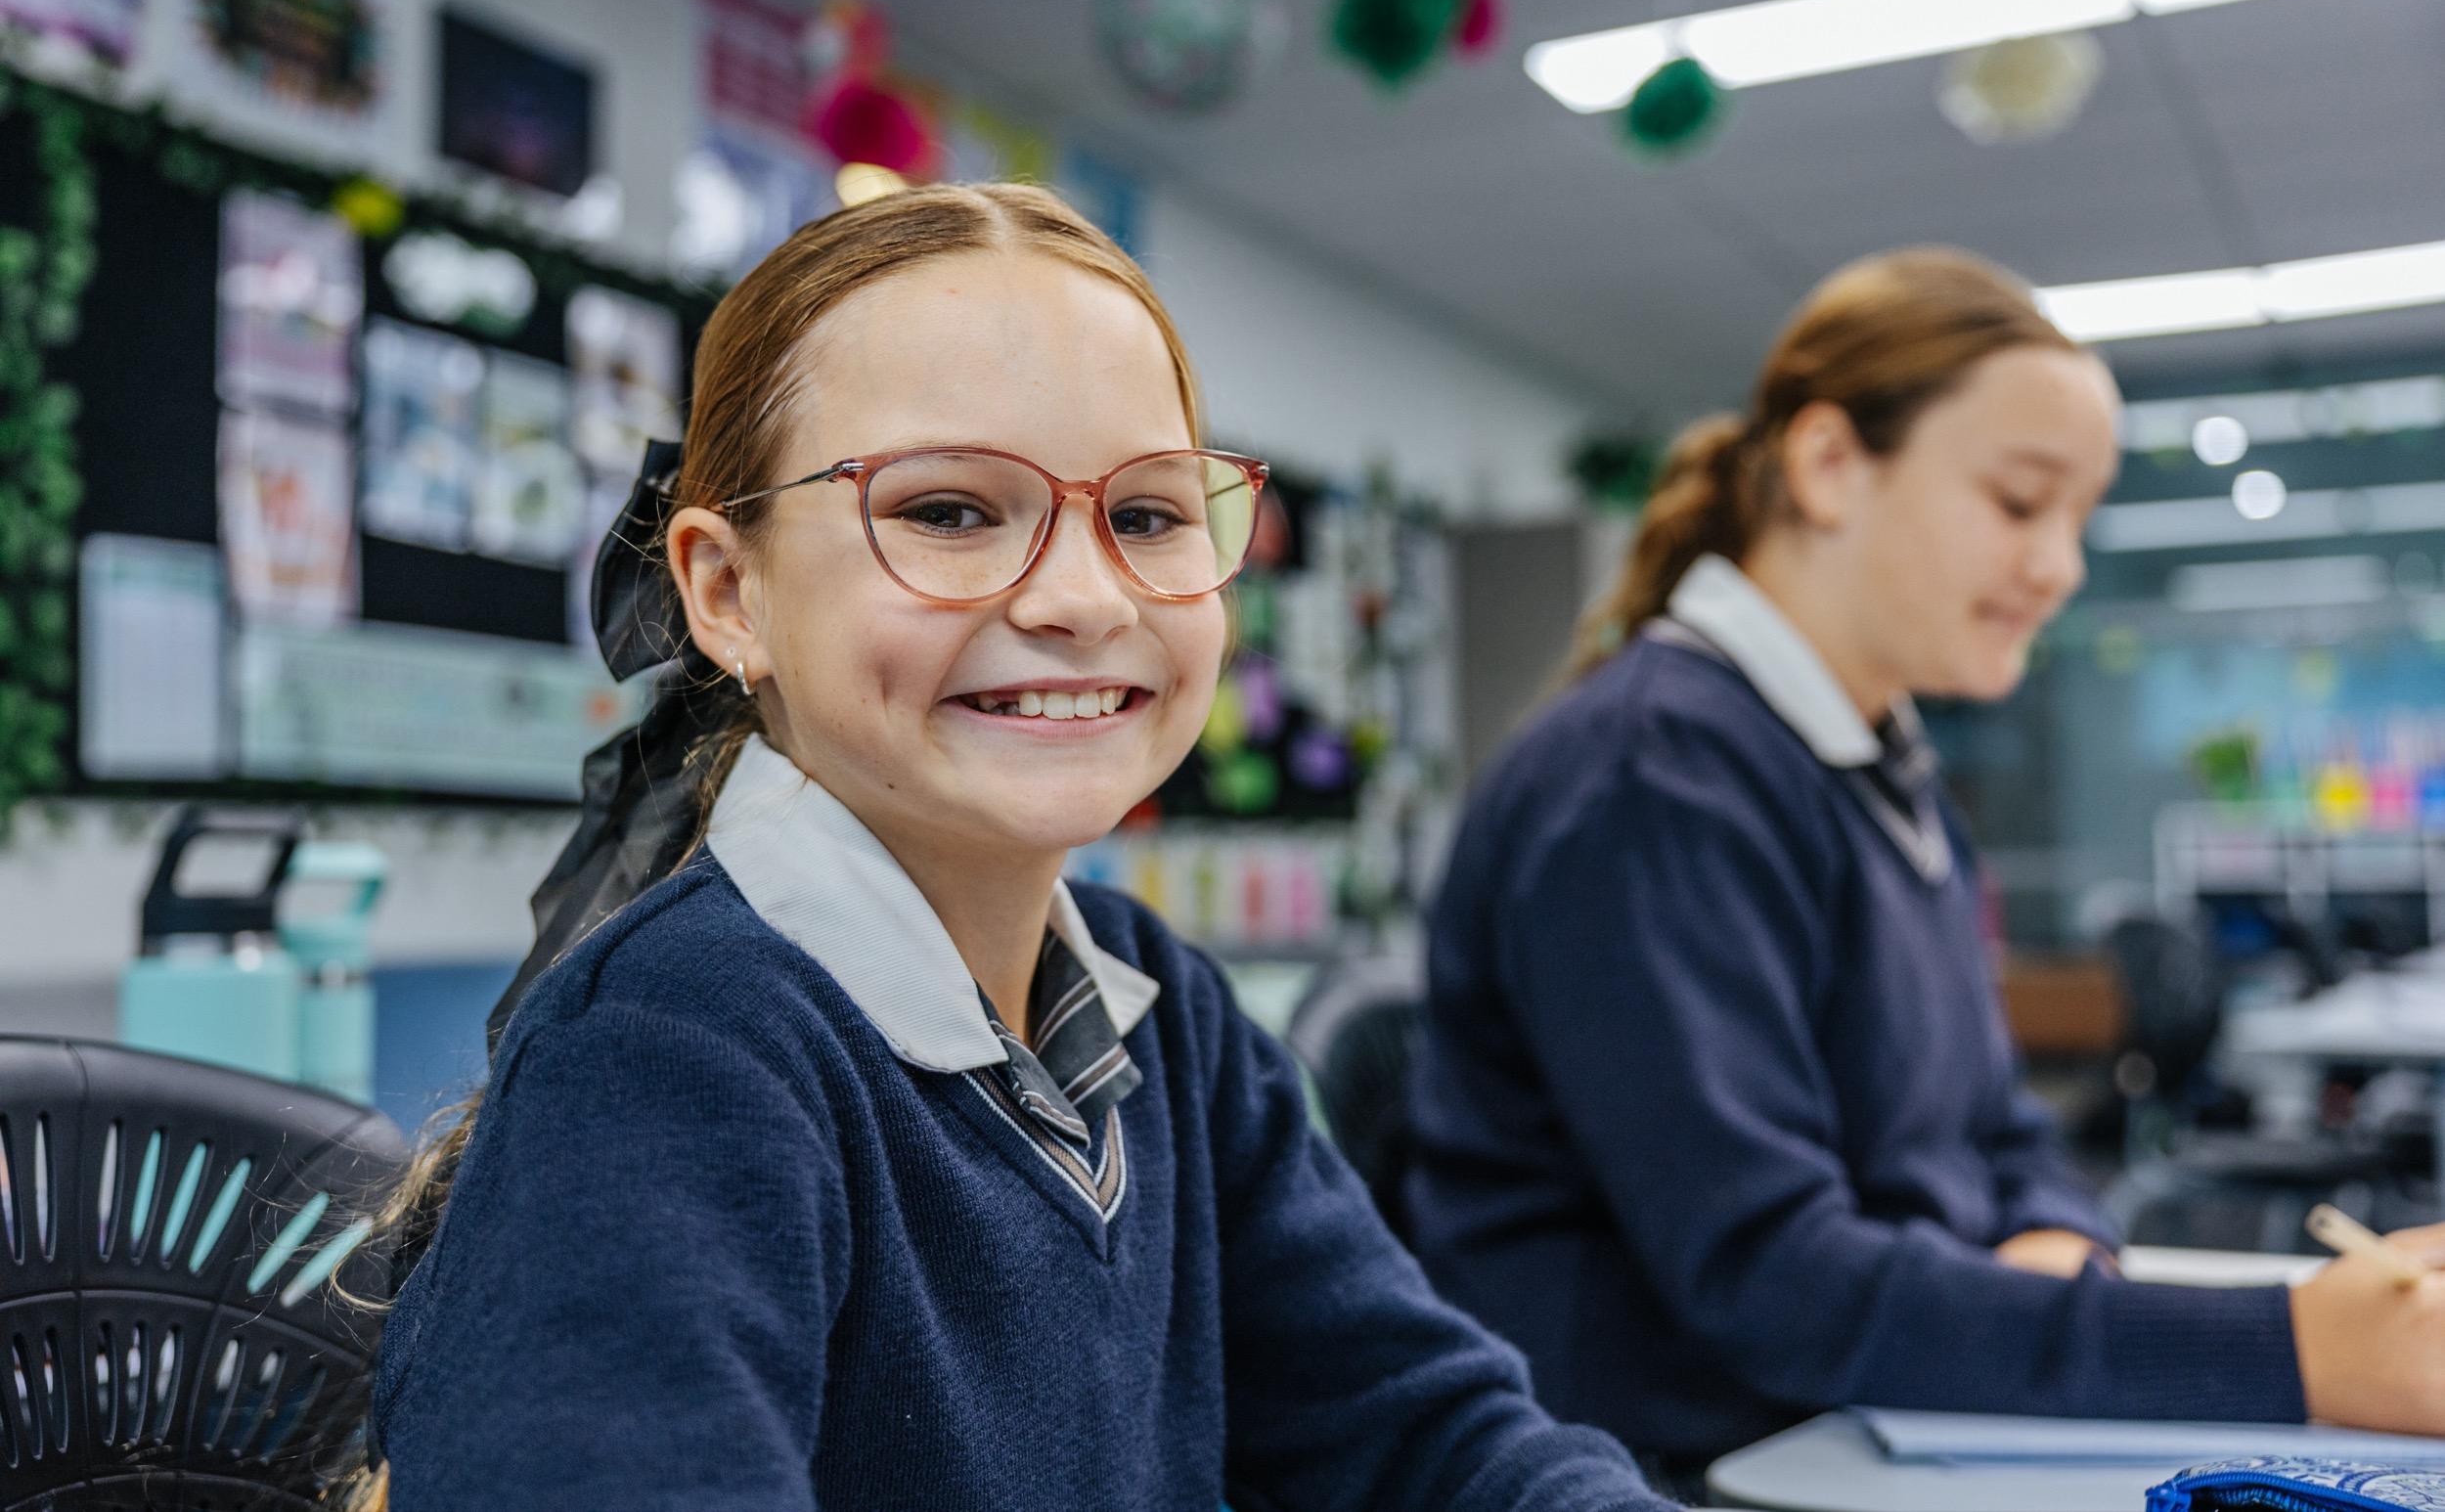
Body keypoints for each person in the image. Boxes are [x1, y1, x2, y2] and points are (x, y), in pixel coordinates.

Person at [352, 184, 1679, 1512]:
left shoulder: (1167, 1020)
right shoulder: (665, 1054)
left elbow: (1429, 1434)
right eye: (947, 511)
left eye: (1150, 515)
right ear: (726, 590)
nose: (1081, 597)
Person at [1405, 247, 2445, 1483]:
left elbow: (1994, 1125)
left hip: (1854, 1427)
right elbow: (1770, 1274)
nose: (2059, 565)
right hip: (1668, 1463)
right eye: (2018, 502)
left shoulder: (1880, 766)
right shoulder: (1652, 777)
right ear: (1831, 464)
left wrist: (2056, 1240)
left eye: (2078, 519)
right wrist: (2288, 1349)